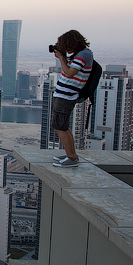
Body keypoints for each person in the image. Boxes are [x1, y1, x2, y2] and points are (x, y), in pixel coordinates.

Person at [50, 30, 93, 167]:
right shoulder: (83, 54)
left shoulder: (83, 55)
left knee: (60, 126)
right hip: (64, 94)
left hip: (66, 95)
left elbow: (68, 73)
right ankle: (71, 154)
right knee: (63, 126)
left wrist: (62, 59)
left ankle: (71, 158)